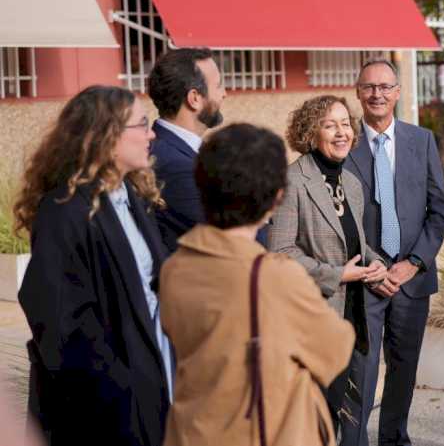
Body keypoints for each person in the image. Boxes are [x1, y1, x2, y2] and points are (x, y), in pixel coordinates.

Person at [159, 123, 356, 446]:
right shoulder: (275, 277)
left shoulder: (175, 268)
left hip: (192, 430)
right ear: (277, 196)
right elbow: (334, 349)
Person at [14, 85, 173, 446]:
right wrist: (117, 386)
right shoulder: (64, 211)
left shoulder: (132, 198)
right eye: (142, 124)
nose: (151, 134)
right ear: (106, 136)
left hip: (150, 395)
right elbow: (59, 321)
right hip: (107, 413)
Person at [267, 95, 388, 441]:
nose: (341, 133)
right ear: (310, 132)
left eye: (346, 124)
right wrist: (337, 274)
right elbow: (280, 253)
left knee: (352, 420)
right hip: (314, 323)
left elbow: (356, 242)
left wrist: (375, 262)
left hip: (355, 320)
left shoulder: (350, 182)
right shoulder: (292, 181)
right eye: (330, 125)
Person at [344, 59, 444, 446]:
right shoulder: (344, 145)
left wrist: (412, 264)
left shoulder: (421, 141)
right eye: (369, 87)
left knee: (404, 370)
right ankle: (353, 441)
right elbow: (336, 217)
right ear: (358, 92)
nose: (377, 94)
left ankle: (394, 439)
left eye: (385, 86)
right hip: (363, 281)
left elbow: (439, 212)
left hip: (412, 280)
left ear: (398, 92)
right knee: (362, 370)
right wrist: (374, 268)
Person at [147, 48, 236, 253]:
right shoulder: (175, 165)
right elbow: (228, 239)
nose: (225, 93)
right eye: (218, 85)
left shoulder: (181, 151)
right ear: (194, 98)